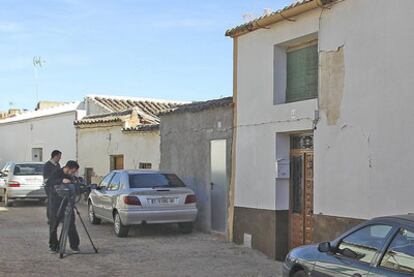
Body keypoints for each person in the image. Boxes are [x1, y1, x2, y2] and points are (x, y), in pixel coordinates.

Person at [47, 160, 80, 253]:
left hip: (68, 202)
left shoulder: (71, 176)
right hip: (55, 203)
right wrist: (61, 180)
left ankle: (74, 246)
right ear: (68, 168)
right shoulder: (57, 172)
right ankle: (53, 246)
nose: (73, 173)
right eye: (73, 171)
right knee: (54, 225)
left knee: (71, 224)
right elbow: (49, 182)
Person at [43, 150, 62, 223]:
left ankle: (56, 217)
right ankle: (50, 218)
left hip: (57, 186)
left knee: (57, 202)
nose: (60, 158)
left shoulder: (58, 165)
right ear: (55, 156)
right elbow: (46, 178)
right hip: (49, 187)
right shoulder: (47, 165)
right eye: (59, 157)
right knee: (51, 202)